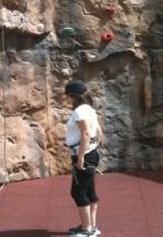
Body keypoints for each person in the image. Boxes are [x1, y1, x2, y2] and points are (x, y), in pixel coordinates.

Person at [64, 80, 102, 237]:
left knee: (78, 192)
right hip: (91, 153)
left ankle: (87, 231)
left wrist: (80, 158)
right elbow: (98, 131)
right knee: (89, 190)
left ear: (74, 96)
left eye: (67, 96)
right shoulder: (89, 109)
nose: (66, 99)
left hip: (84, 154)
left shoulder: (80, 111)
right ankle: (91, 226)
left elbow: (86, 133)